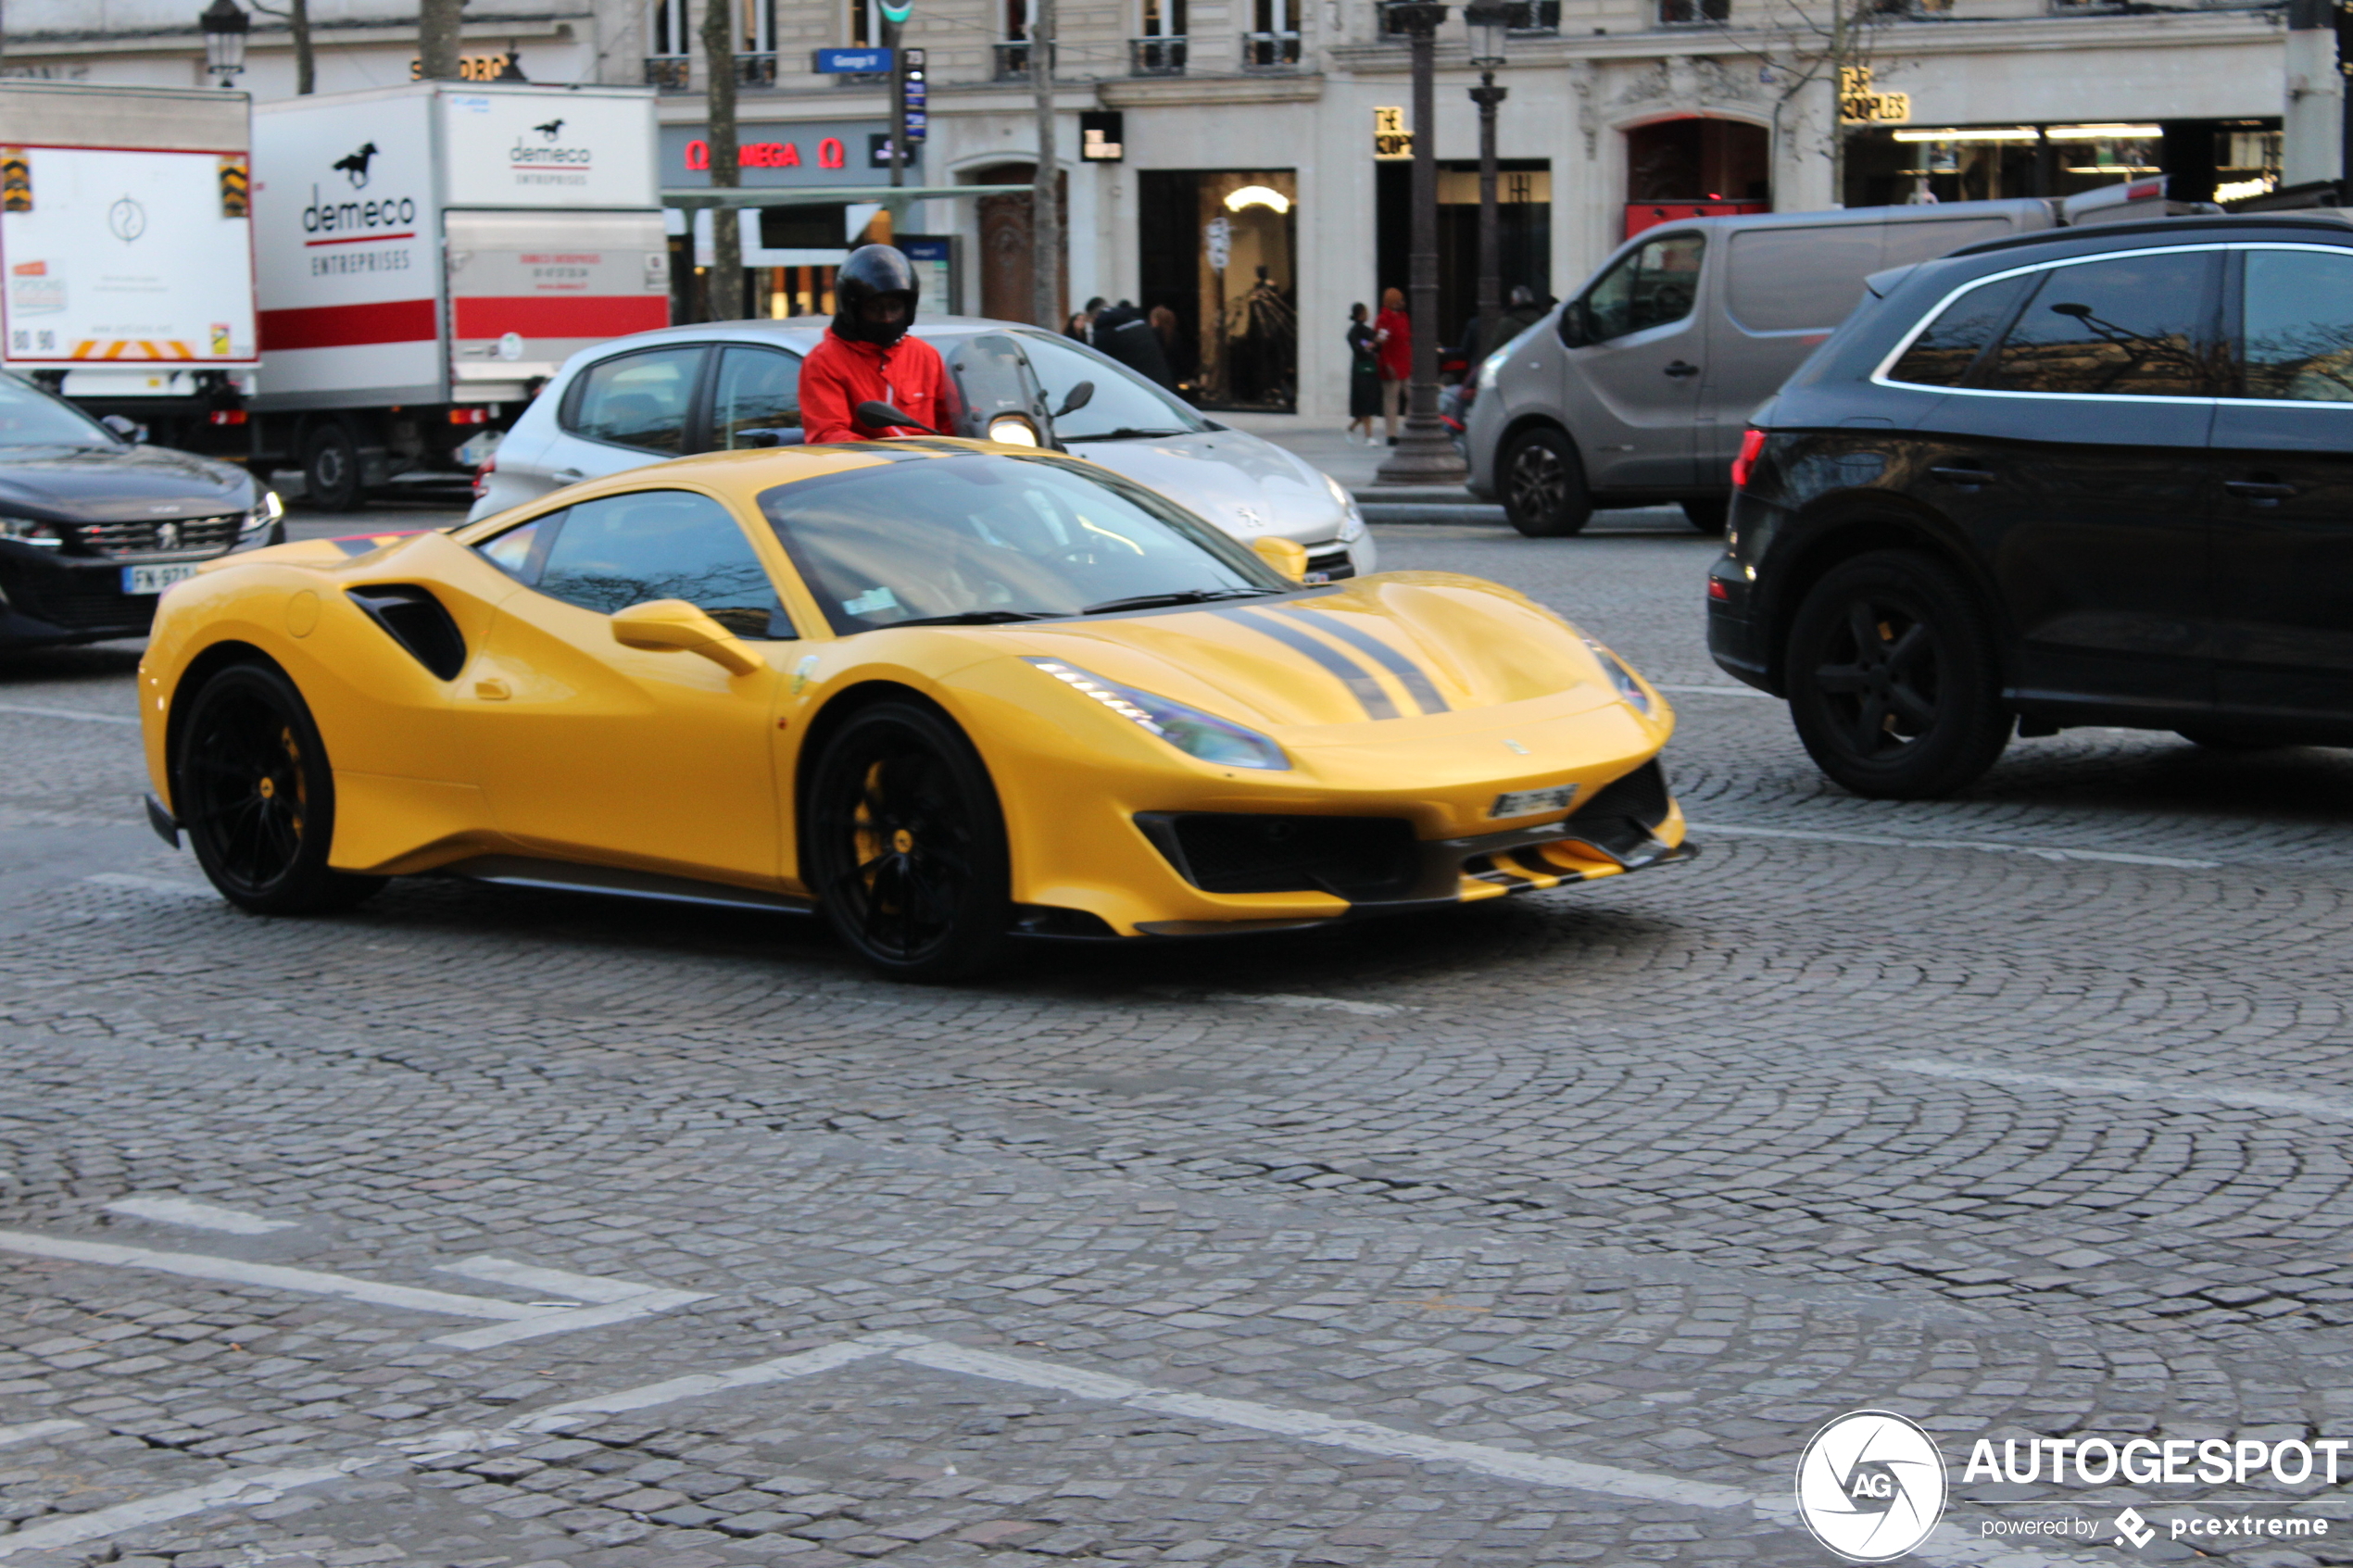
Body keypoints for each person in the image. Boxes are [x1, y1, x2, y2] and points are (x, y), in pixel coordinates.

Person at [798, 244, 948, 444]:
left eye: (895, 308)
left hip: (932, 466)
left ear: (908, 309)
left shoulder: (925, 355)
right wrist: (890, 458)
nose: (886, 318)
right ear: (854, 310)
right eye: (875, 308)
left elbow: (951, 421)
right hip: (867, 470)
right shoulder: (824, 361)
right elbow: (828, 435)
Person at [1088, 298, 1175, 390]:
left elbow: (1101, 366)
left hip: (1139, 386)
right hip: (1160, 384)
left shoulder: (1104, 333)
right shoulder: (1138, 322)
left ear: (1094, 317)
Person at [1373, 286, 1411, 445]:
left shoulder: (1403, 317)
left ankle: (1409, 429)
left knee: (1412, 397)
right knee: (1391, 401)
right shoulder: (1383, 319)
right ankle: (1391, 434)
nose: (1402, 302)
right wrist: (1387, 363)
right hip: (1391, 365)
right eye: (1399, 300)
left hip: (1405, 363)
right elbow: (1382, 344)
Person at [1345, 303, 1380, 445]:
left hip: (1369, 368)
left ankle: (1351, 428)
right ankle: (1369, 436)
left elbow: (1375, 346)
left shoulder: (1365, 330)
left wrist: (1377, 343)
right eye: (1365, 312)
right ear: (1360, 314)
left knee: (1367, 403)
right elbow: (1360, 347)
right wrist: (1370, 345)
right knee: (1365, 402)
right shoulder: (1355, 332)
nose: (1368, 314)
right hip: (1362, 370)